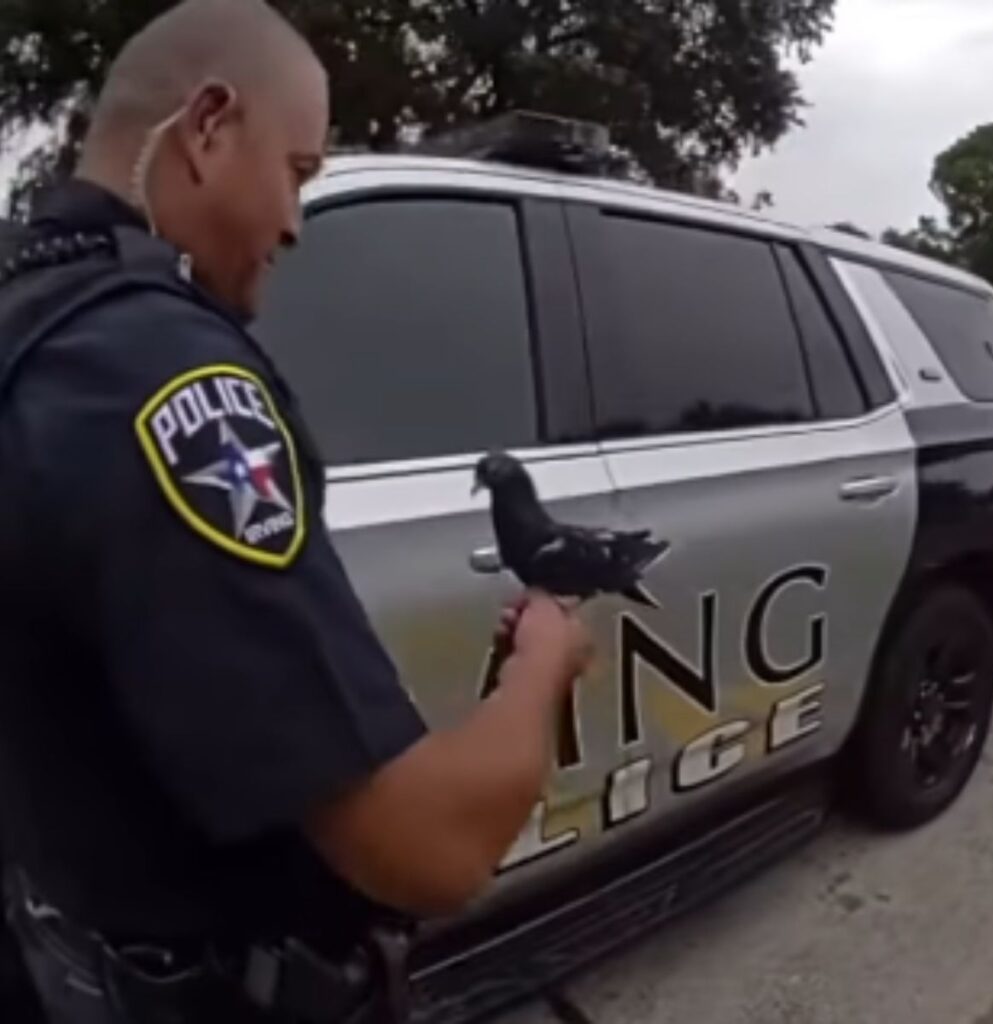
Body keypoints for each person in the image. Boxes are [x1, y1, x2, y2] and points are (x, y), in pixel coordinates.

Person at [0, 2, 592, 1022]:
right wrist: (544, 665)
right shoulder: (162, 376)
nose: (292, 223)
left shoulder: (28, 322)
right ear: (210, 125)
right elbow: (428, 848)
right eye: (298, 171)